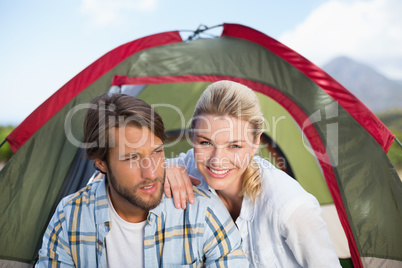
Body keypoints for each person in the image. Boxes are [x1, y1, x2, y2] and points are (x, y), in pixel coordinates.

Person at [36, 93, 248, 267]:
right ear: (101, 163)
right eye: (132, 157)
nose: (151, 173)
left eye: (156, 152)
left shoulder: (203, 212)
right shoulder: (70, 217)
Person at [165, 80, 342, 267]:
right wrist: (161, 170)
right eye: (205, 143)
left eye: (234, 146)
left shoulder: (290, 207)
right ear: (193, 137)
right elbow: (136, 166)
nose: (217, 160)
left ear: (256, 143)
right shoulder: (189, 165)